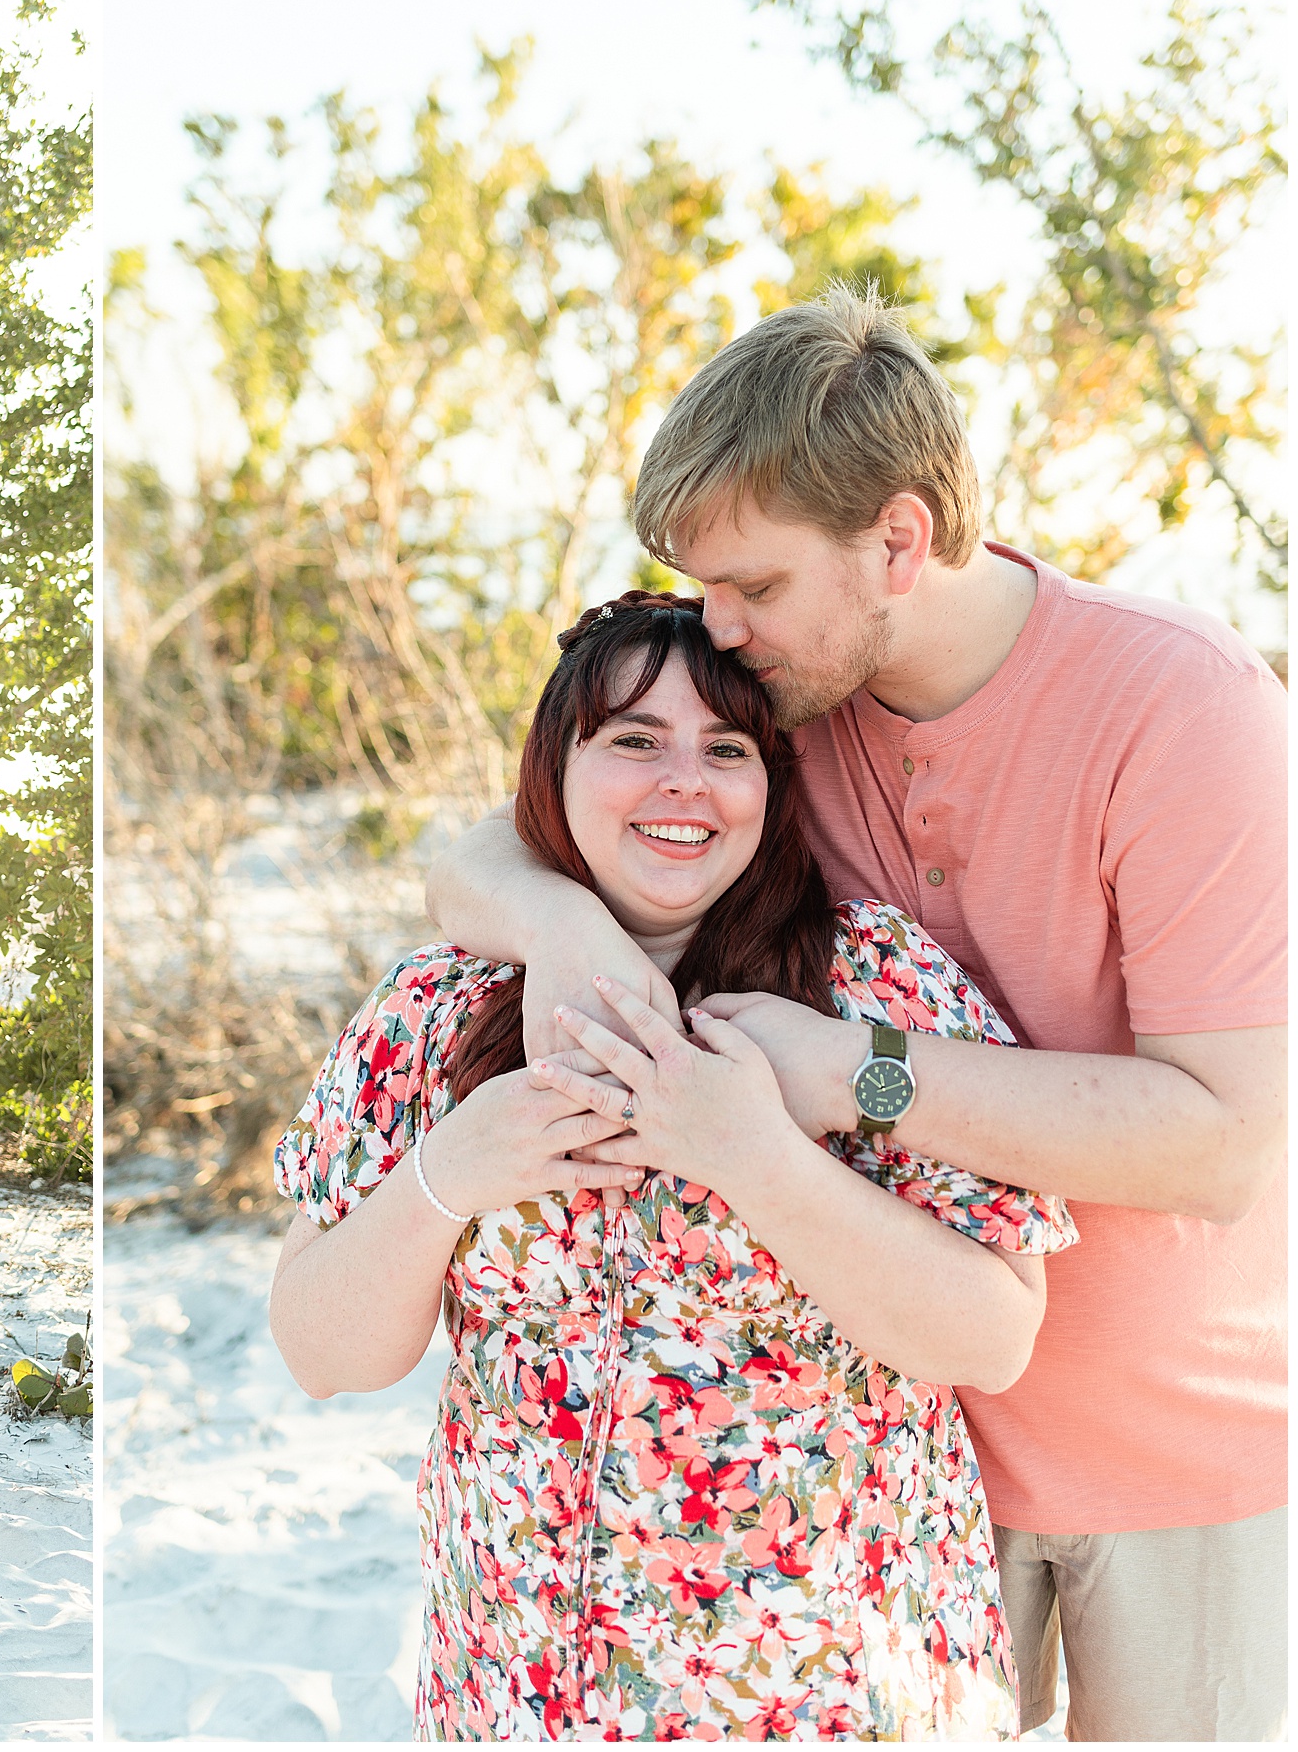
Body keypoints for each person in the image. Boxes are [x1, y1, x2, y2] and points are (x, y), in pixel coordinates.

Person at [425, 287, 1289, 1740]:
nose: (719, 625)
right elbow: (477, 846)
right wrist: (563, 929)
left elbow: (1224, 1147)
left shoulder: (1182, 707)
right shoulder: (779, 710)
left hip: (1182, 1448)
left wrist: (857, 1075)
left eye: (752, 585)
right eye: (700, 585)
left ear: (898, 541)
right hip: (896, 1468)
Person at [271, 592, 1076, 1739]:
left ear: (771, 784)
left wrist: (754, 1156)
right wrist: (452, 1171)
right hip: (521, 1678)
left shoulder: (873, 993)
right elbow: (319, 1349)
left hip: (833, 1683)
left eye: (727, 748)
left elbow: (994, 1338)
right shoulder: (438, 1007)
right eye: (635, 740)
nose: (683, 780)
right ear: (558, 768)